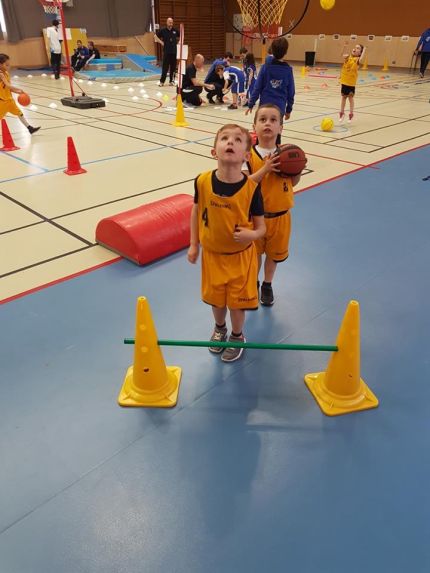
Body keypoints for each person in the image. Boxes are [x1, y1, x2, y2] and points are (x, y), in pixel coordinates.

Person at [187, 123, 266, 362]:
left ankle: (237, 335)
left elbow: (262, 228)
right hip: (212, 256)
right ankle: (219, 328)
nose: (230, 142)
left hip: (240, 258)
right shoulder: (201, 181)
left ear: (246, 156)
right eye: (224, 138)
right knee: (216, 300)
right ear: (214, 151)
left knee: (236, 304)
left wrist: (250, 236)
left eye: (237, 140)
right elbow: (196, 211)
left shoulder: (252, 189)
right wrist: (194, 244)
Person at [245, 104, 300, 306]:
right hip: (255, 219)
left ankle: (267, 284)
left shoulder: (288, 154)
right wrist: (266, 169)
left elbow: (292, 184)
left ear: (280, 128)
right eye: (263, 119)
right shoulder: (248, 155)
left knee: (274, 256)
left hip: (281, 216)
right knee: (255, 255)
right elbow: (245, 185)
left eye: (273, 120)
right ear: (255, 126)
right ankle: (255, 282)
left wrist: (297, 170)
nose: (268, 123)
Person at [246, 38, 295, 125]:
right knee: (276, 134)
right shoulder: (288, 70)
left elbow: (257, 88)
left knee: (261, 133)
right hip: (279, 108)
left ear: (272, 50)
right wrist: (288, 110)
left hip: (264, 107)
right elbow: (291, 92)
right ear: (286, 52)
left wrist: (251, 104)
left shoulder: (265, 67)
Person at [0, 54, 40, 135]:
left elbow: (8, 88)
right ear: (0, 65)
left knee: (19, 113)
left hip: (9, 100)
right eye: (6, 65)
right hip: (2, 102)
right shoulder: (1, 74)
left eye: (9, 64)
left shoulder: (6, 73)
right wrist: (19, 90)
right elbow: (8, 85)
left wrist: (18, 92)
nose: (9, 66)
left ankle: (30, 128)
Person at [338, 43, 365, 122]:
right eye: (355, 47)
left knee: (350, 98)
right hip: (344, 81)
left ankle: (351, 114)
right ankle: (342, 113)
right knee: (343, 97)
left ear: (360, 52)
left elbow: (362, 58)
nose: (355, 49)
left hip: (351, 82)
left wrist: (365, 50)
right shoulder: (348, 57)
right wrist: (344, 47)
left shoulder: (357, 60)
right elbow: (341, 55)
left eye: (358, 48)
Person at [155, 17, 179, 86]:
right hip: (166, 52)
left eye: (171, 22)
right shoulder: (163, 30)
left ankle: (172, 81)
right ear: (167, 22)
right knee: (165, 67)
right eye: (169, 22)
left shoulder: (175, 30)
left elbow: (181, 36)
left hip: (174, 52)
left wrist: (179, 42)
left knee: (173, 68)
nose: (171, 24)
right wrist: (161, 42)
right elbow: (155, 36)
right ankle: (162, 81)